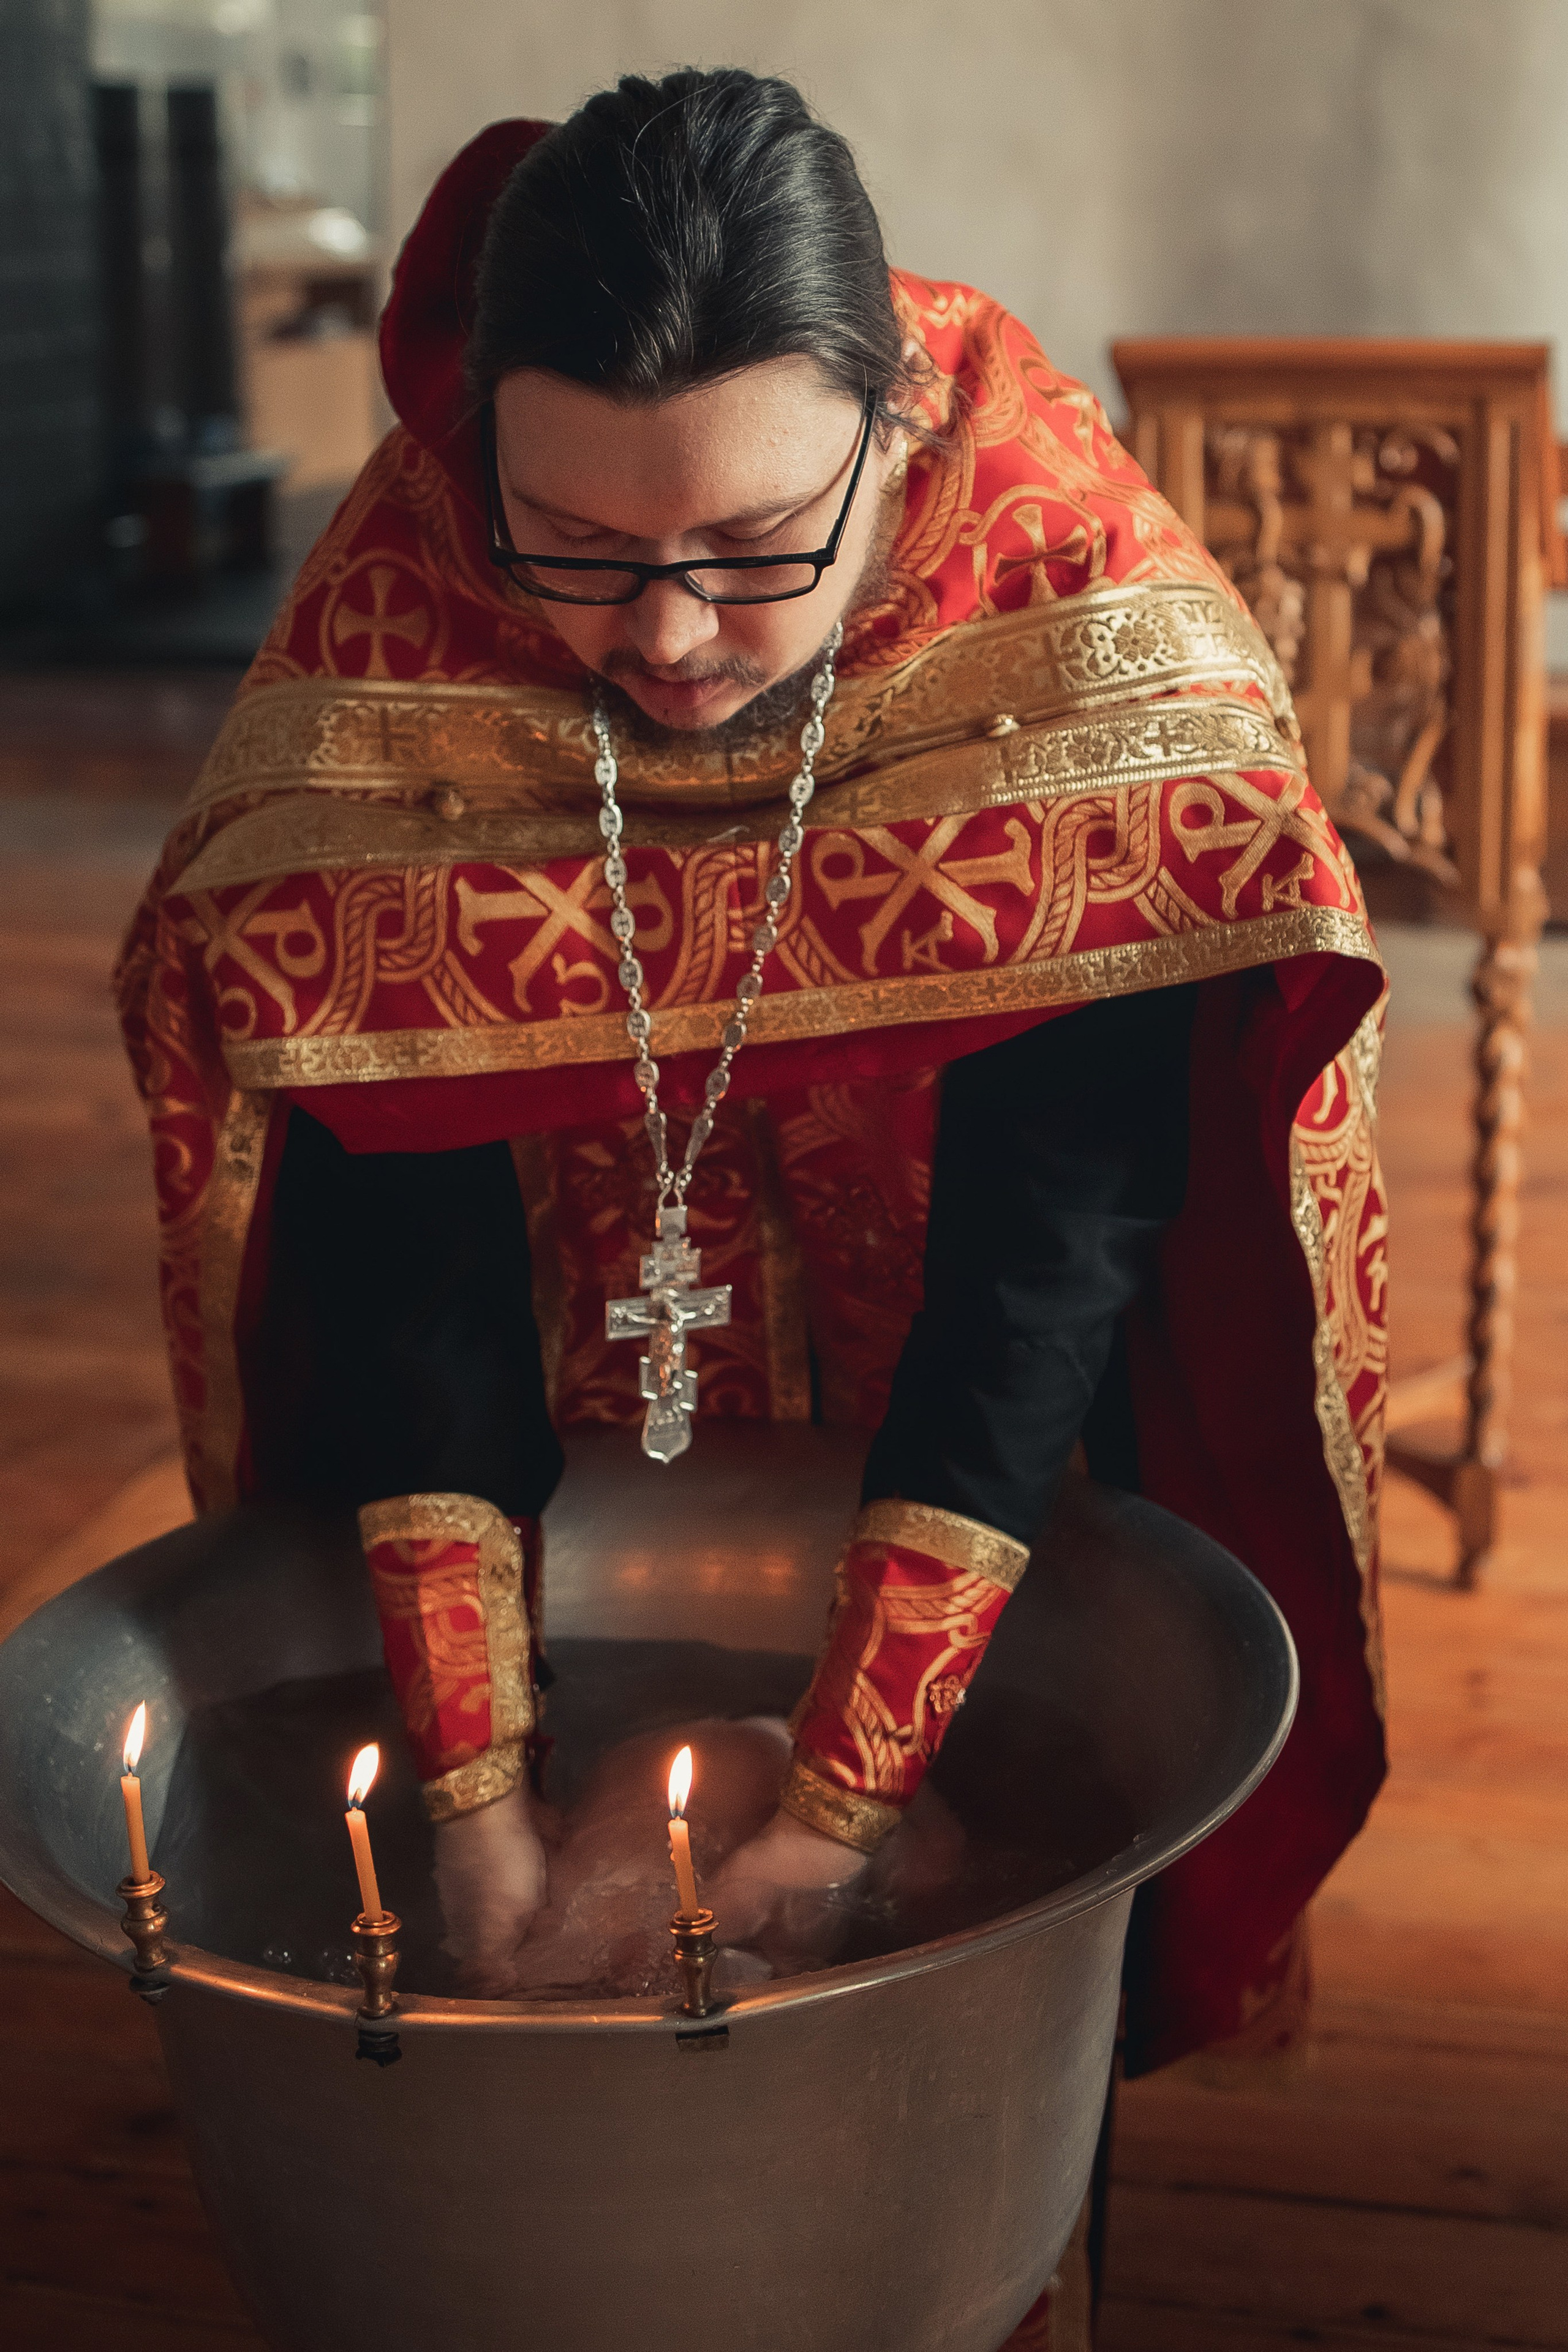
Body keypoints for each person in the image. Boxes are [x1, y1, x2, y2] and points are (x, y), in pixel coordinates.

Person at [118, 62, 1387, 2290]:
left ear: (888, 426)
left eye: (752, 549)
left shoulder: (1070, 610)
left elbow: (1052, 1247)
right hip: (567, 1329)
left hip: (980, 1391)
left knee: (963, 2075)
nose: (673, 637)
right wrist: (478, 1796)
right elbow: (398, 1223)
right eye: (582, 552)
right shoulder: (414, 606)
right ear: (480, 457)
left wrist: (845, 1792)